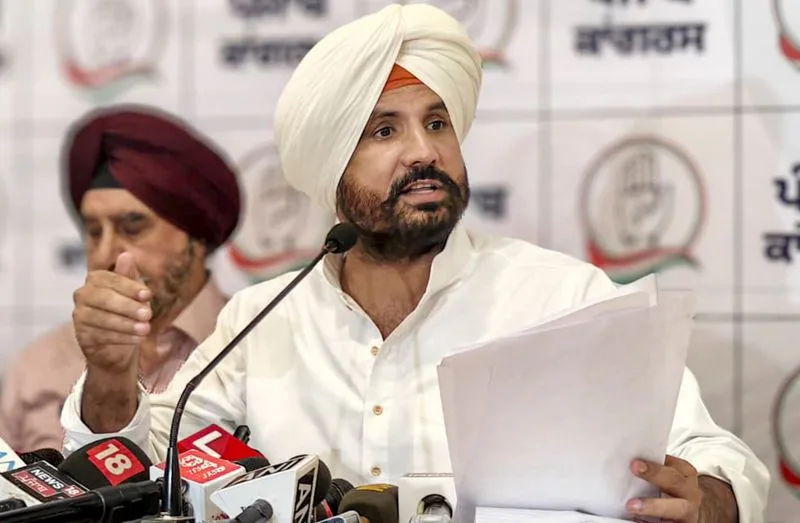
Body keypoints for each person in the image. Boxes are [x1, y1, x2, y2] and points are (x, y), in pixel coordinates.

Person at [61, 5, 768, 523]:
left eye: (437, 123)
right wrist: (113, 377)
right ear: (333, 171)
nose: (424, 152)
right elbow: (149, 468)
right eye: (384, 131)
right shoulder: (262, 320)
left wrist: (710, 498)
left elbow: (712, 454)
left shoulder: (561, 296)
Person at [0, 105, 240, 452]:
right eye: (94, 231)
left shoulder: (253, 348)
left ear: (196, 234)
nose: (105, 255)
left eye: (132, 227)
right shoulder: (37, 366)